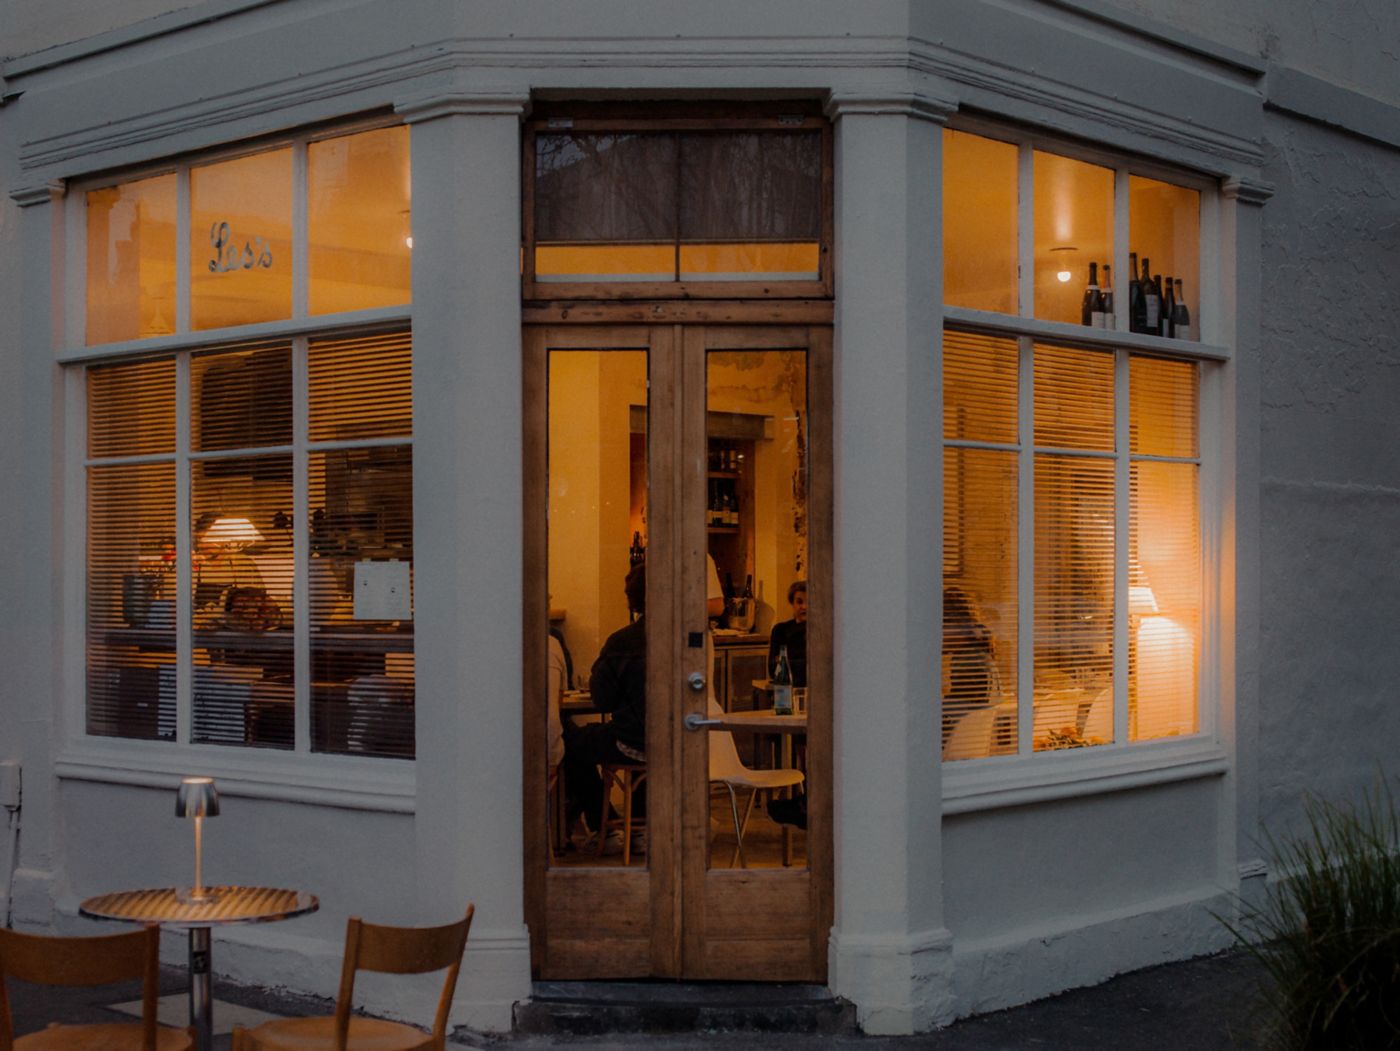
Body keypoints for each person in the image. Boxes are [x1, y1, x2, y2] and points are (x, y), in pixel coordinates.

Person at [563, 562, 648, 850]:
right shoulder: (685, 637)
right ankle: (641, 826)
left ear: (633, 599)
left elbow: (602, 699)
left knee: (569, 741)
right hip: (676, 742)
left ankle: (605, 827)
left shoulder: (621, 642)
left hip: (632, 741)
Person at [766, 580, 807, 687]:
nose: (804, 607)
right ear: (792, 603)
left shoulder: (821, 631)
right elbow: (773, 669)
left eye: (809, 602)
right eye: (799, 602)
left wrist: (787, 664)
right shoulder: (780, 630)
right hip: (785, 690)